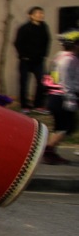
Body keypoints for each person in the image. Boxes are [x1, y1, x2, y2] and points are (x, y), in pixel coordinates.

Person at [42, 31, 79, 165]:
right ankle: (48, 150)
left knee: (61, 127)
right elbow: (66, 81)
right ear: (75, 45)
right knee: (65, 127)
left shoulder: (59, 56)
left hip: (55, 96)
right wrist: (70, 100)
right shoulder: (70, 59)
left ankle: (51, 151)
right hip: (61, 97)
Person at [14, 6, 51, 114]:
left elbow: (47, 41)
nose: (40, 15)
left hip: (39, 60)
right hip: (26, 60)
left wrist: (44, 55)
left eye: (41, 13)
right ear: (31, 16)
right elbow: (18, 43)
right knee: (24, 83)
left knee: (42, 83)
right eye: (38, 13)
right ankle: (25, 106)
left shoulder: (44, 27)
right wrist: (23, 55)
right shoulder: (24, 28)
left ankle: (38, 105)